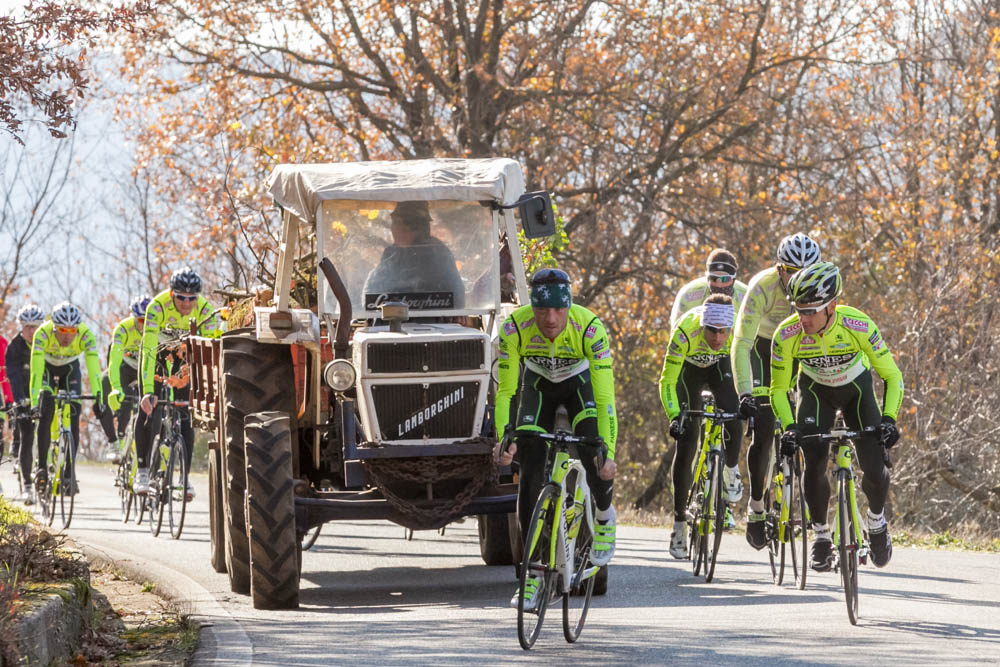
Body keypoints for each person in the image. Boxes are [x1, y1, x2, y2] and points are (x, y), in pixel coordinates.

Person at [495, 268, 618, 610]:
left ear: (569, 306)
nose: (550, 319)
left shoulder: (590, 328)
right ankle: (532, 575)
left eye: (558, 310)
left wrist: (608, 450)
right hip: (537, 388)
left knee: (595, 451)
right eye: (542, 311)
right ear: (530, 307)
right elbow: (506, 392)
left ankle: (605, 514)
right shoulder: (514, 327)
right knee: (530, 474)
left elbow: (606, 400)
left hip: (580, 386)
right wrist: (506, 437)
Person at [770, 262, 903, 570]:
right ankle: (820, 535)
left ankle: (877, 521)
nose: (803, 318)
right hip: (816, 393)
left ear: (832, 306)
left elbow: (892, 377)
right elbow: (778, 389)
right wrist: (789, 427)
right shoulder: (786, 334)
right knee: (813, 461)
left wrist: (889, 418)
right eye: (799, 310)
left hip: (856, 392)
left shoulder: (857, 325)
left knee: (873, 465)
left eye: (811, 311)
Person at [731, 232, 822, 550]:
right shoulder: (762, 287)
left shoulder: (820, 285)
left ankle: (814, 505)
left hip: (803, 349)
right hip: (764, 349)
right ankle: (756, 508)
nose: (798, 280)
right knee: (765, 427)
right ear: (779, 269)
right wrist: (745, 392)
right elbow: (741, 343)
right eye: (791, 273)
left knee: (812, 426)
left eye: (805, 273)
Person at [659, 293, 743, 558]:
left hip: (720, 368)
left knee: (735, 412)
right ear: (702, 325)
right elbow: (666, 381)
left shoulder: (736, 334)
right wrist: (674, 416)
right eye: (711, 331)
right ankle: (679, 524)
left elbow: (745, 371)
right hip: (688, 373)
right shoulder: (684, 332)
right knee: (688, 440)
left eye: (723, 332)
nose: (717, 338)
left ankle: (730, 470)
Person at [136, 268, 221, 498]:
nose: (186, 302)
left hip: (185, 358)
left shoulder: (205, 310)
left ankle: (184, 477)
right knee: (148, 408)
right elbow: (149, 351)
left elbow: (211, 352)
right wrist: (147, 391)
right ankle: (142, 470)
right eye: (181, 297)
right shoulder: (157, 307)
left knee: (186, 415)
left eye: (191, 298)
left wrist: (206, 389)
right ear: (172, 294)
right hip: (159, 354)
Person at [28, 301, 103, 495]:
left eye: (72, 331)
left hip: (70, 369)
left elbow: (94, 367)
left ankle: (69, 471)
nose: (67, 335)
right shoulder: (42, 334)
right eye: (62, 330)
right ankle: (42, 467)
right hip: (46, 367)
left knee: (74, 416)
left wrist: (98, 396)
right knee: (46, 411)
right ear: (54, 327)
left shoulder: (85, 335)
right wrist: (35, 400)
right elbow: (35, 373)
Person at [363, 200, 466, 309]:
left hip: (433, 321)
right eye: (394, 222)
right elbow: (373, 288)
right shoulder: (391, 253)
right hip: (394, 320)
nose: (394, 229)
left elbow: (456, 295)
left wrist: (455, 314)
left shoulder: (438, 253)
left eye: (398, 223)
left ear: (415, 227)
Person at [96, 295, 150, 464]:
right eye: (140, 320)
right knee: (104, 386)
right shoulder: (123, 329)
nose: (143, 324)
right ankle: (115, 440)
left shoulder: (157, 328)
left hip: (144, 368)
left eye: (147, 320)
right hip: (124, 367)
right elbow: (114, 361)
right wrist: (116, 387)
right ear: (133, 317)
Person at [6, 304, 44, 504]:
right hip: (22, 395)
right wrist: (20, 399)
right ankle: (27, 485)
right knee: (27, 436)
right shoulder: (14, 347)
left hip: (42, 393)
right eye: (28, 327)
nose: (32, 331)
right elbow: (14, 377)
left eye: (36, 326)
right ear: (21, 327)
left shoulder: (46, 343)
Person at [669, 248, 749, 328]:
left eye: (725, 279)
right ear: (707, 278)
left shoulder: (747, 297)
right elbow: (677, 329)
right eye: (713, 278)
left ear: (734, 279)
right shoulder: (688, 295)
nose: (719, 284)